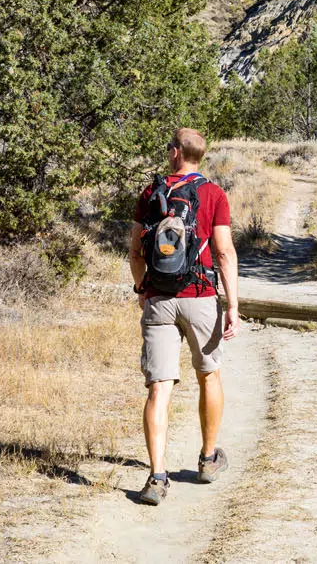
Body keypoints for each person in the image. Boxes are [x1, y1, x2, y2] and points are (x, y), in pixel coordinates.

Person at [129, 128, 239, 506]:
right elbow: (223, 253)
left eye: (169, 147)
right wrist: (233, 305)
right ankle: (207, 460)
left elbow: (135, 252)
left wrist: (142, 290)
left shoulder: (151, 193)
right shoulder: (213, 194)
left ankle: (157, 477)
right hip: (200, 296)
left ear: (176, 153)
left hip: (159, 298)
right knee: (209, 374)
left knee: (159, 387)